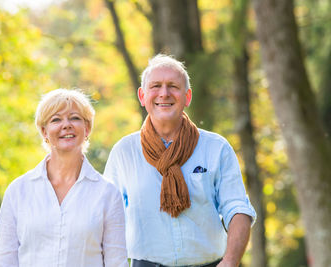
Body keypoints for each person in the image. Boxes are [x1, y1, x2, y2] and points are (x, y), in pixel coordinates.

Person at [104, 54, 256, 267]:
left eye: (173, 86)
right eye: (155, 86)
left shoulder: (216, 148)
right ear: (142, 95)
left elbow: (238, 208)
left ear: (187, 97)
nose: (164, 93)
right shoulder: (124, 152)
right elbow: (108, 218)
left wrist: (230, 261)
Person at [0, 89, 128, 267]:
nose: (66, 125)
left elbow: (117, 263)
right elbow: (2, 260)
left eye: (75, 118)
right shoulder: (18, 191)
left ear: (87, 128)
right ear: (44, 131)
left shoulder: (108, 194)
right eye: (56, 119)